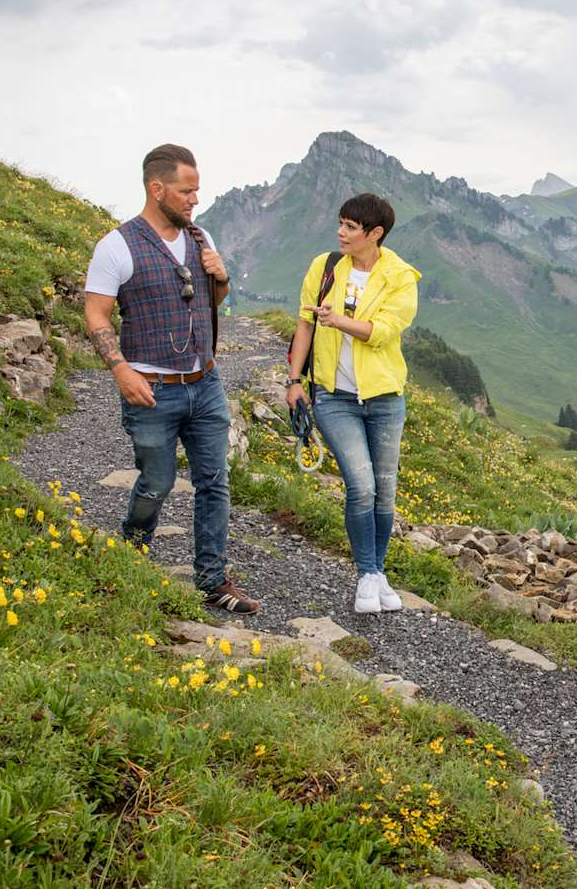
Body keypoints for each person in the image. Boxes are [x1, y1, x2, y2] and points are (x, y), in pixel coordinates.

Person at [84, 143, 259, 614]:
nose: (194, 200)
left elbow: (207, 307)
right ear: (156, 188)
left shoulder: (201, 238)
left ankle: (213, 579)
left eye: (197, 190)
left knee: (214, 481)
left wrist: (220, 280)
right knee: (156, 483)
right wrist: (120, 369)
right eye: (186, 191)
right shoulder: (116, 245)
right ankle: (132, 551)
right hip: (151, 390)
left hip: (205, 383)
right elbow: (96, 314)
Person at [285, 193, 421, 614]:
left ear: (374, 234)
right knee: (360, 487)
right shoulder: (324, 268)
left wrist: (339, 320)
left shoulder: (401, 277)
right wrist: (294, 381)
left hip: (384, 398)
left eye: (350, 227)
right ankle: (366, 574)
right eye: (340, 224)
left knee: (385, 492)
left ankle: (378, 573)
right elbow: (304, 324)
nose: (340, 233)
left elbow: (384, 330)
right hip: (333, 396)